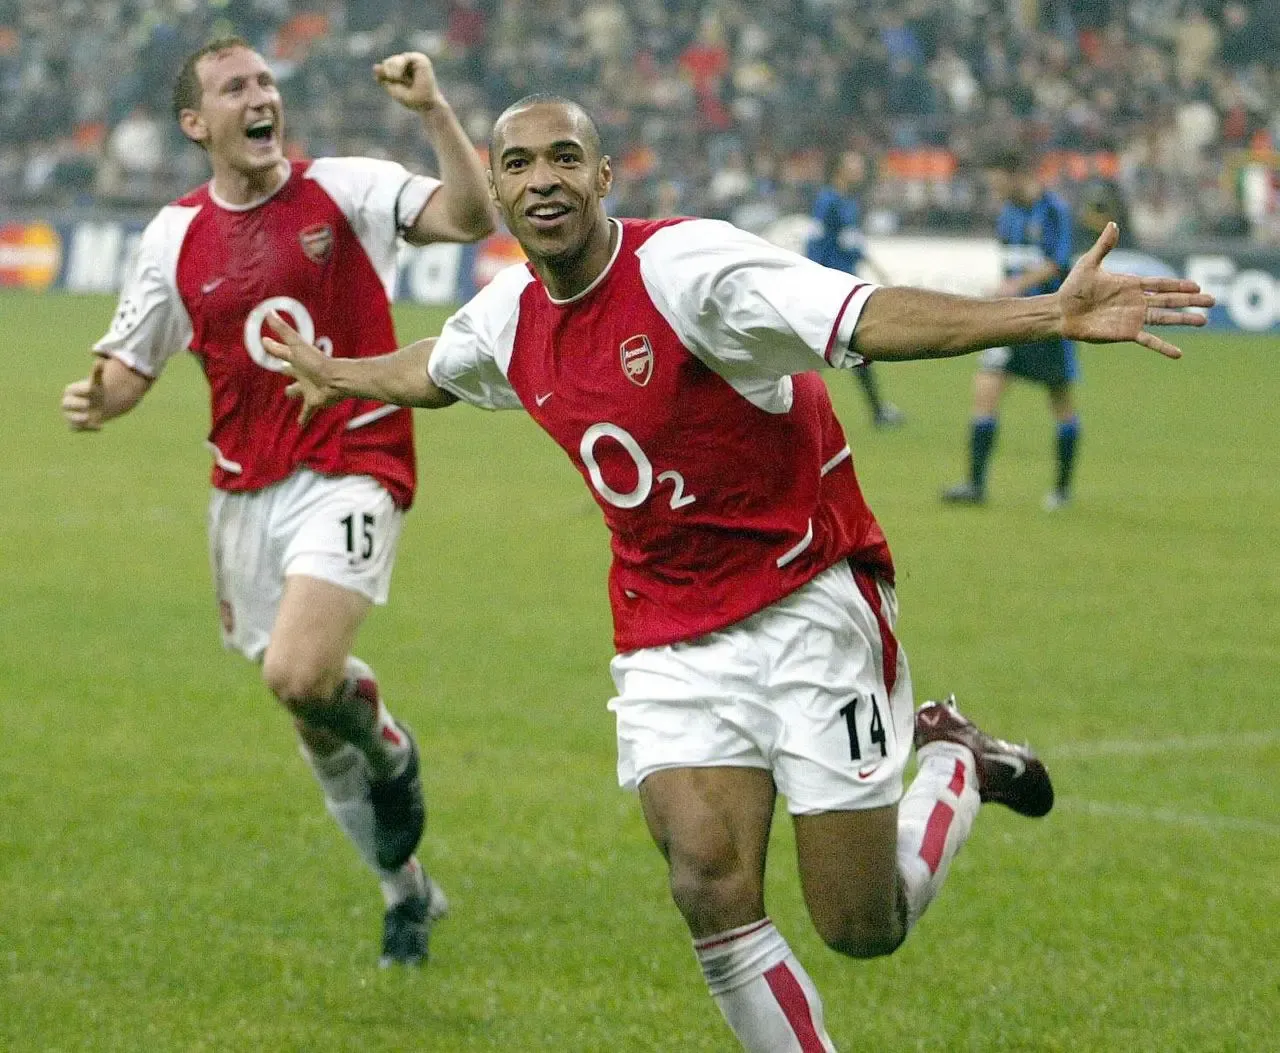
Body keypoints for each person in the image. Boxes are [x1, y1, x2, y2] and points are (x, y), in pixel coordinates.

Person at [264, 95, 1210, 1051]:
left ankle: (956, 762)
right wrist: (339, 374)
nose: (539, 179)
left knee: (861, 923)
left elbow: (866, 318)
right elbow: (438, 369)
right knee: (706, 881)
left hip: (808, 602)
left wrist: (1049, 311)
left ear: (602, 176)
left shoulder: (691, 272)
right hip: (667, 628)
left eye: (562, 158)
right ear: (499, 188)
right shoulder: (509, 316)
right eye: (515, 164)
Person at [59, 37, 494, 967]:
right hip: (246, 492)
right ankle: (403, 890)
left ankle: (389, 743)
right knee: (305, 707)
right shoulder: (173, 235)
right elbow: (130, 364)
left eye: (265, 82)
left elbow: (467, 214)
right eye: (234, 88)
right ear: (196, 123)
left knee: (299, 672)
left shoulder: (345, 187)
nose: (261, 97)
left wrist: (433, 112)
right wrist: (96, 395)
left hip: (354, 454)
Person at [942, 149, 1082, 510]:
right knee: (985, 388)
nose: (994, 189)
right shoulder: (1007, 214)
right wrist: (1007, 288)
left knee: (1060, 402)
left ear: (1016, 173)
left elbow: (1059, 263)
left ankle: (1062, 489)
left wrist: (1017, 285)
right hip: (1009, 320)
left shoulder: (1054, 210)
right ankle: (975, 485)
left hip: (1049, 319)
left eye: (997, 181)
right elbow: (1012, 266)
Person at [806, 149, 905, 429]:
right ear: (839, 169)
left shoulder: (848, 202)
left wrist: (876, 270)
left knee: (847, 348)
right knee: (829, 348)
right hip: (832, 288)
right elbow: (816, 244)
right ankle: (801, 408)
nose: (860, 168)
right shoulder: (827, 201)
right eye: (854, 163)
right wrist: (813, 280)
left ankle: (877, 411)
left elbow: (852, 245)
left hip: (848, 286)